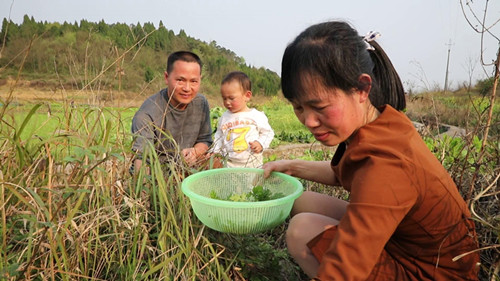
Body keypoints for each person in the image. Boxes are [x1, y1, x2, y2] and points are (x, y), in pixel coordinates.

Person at [262, 21, 479, 280]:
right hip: (400, 241)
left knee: (302, 231)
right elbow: (343, 172)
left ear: (362, 89)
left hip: (430, 272)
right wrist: (288, 166)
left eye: (319, 106)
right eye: (298, 107)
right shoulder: (381, 123)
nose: (308, 121)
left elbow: (345, 268)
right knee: (300, 200)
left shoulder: (387, 164)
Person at [131, 51, 213, 173]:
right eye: (180, 80)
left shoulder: (201, 103)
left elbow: (205, 140)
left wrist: (194, 152)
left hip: (189, 168)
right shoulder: (147, 114)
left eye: (194, 81)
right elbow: (141, 160)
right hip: (158, 174)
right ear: (166, 77)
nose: (187, 88)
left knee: (215, 159)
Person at [212, 71, 274, 168]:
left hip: (252, 163)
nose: (227, 102)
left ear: (247, 96)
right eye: (224, 98)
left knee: (253, 183)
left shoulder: (256, 116)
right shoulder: (224, 117)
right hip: (229, 163)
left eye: (231, 98)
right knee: (230, 182)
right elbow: (219, 136)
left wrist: (260, 143)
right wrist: (216, 152)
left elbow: (268, 133)